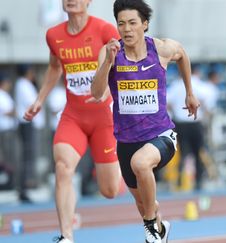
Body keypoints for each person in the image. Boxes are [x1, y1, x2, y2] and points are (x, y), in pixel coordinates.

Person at [91, 0, 200, 242]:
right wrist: (108, 62)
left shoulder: (160, 49)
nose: (126, 29)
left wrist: (189, 92)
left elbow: (182, 54)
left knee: (142, 165)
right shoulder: (109, 52)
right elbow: (97, 93)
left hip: (160, 135)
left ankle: (150, 226)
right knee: (144, 203)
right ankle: (159, 229)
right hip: (126, 141)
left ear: (144, 24)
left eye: (132, 23)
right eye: (121, 24)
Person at [23, 0, 122, 242]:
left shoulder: (104, 30)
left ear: (89, 1)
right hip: (74, 116)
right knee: (62, 168)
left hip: (103, 118)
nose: (71, 0)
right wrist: (40, 99)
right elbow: (55, 68)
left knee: (109, 190)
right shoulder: (54, 35)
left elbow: (125, 63)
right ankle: (66, 236)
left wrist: (110, 91)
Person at [14, 64, 42, 203]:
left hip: (28, 123)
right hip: (26, 123)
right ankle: (23, 188)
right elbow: (34, 102)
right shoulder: (23, 84)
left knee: (28, 157)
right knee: (27, 157)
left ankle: (25, 188)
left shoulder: (23, 84)